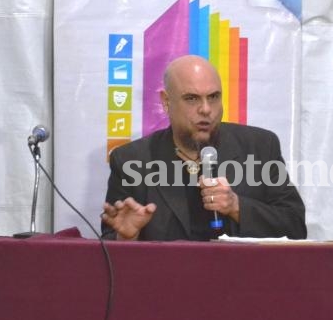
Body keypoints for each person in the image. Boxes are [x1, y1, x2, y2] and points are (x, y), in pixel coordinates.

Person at [101, 55, 306, 241]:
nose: (206, 109)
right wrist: (127, 236)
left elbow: (295, 226)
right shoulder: (131, 160)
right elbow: (110, 247)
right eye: (191, 98)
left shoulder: (259, 147)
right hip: (167, 278)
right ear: (166, 102)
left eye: (214, 97)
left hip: (241, 278)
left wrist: (236, 206)